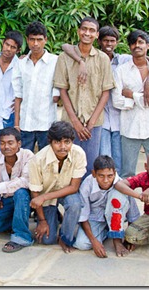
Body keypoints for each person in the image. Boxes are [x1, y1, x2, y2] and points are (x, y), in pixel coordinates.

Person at [61, 26, 149, 172]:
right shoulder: (95, 58)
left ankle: (117, 191)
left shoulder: (123, 60)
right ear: (99, 41)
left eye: (112, 41)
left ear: (117, 42)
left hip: (121, 118)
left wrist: (148, 82)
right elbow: (65, 46)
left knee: (119, 161)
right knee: (104, 156)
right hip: (101, 117)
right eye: (105, 40)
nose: (109, 44)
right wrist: (80, 60)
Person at [54, 17, 115, 177]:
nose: (87, 33)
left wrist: (91, 122)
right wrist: (75, 122)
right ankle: (69, 201)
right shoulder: (64, 57)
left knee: (89, 166)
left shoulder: (103, 59)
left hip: (92, 125)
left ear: (96, 35)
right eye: (84, 29)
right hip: (69, 122)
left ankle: (85, 201)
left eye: (92, 30)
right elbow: (63, 90)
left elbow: (105, 92)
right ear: (78, 31)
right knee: (67, 165)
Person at [112, 30, 149, 178]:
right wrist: (144, 95)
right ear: (129, 47)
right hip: (130, 129)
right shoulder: (121, 71)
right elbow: (117, 101)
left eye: (141, 42)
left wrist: (131, 95)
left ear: (147, 46)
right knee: (127, 172)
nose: (137, 46)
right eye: (134, 43)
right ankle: (128, 201)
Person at [28, 121, 85, 253]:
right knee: (47, 240)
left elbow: (74, 187)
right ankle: (54, 216)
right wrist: (42, 221)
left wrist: (45, 197)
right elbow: (35, 194)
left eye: (67, 142)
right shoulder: (37, 160)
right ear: (50, 142)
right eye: (58, 142)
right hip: (45, 199)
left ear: (72, 141)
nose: (62, 147)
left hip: (65, 193)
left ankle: (65, 237)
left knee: (75, 204)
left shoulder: (79, 154)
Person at [72, 155, 140, 258]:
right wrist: (94, 241)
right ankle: (107, 231)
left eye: (110, 176)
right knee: (82, 244)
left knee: (116, 198)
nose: (106, 180)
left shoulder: (121, 183)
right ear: (94, 173)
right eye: (101, 176)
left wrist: (130, 237)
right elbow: (83, 216)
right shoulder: (87, 185)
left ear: (115, 173)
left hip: (116, 216)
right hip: (96, 217)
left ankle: (116, 240)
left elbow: (133, 214)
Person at [12, 21, 59, 152]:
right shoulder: (21, 64)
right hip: (25, 123)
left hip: (47, 123)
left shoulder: (55, 62)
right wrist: (16, 123)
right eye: (32, 39)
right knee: (24, 159)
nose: (35, 44)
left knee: (47, 160)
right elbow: (18, 95)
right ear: (27, 40)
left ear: (46, 40)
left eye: (39, 39)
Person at [0, 31, 23, 152]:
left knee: (12, 154)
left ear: (18, 50)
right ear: (2, 43)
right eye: (7, 44)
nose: (8, 49)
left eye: (13, 47)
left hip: (11, 116)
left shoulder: (21, 66)